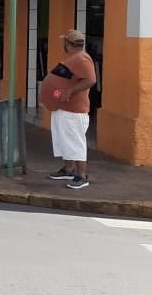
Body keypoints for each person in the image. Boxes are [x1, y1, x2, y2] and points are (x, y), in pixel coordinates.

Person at [38, 29, 97, 189]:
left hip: (74, 111)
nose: (63, 45)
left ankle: (81, 175)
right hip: (63, 108)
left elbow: (91, 80)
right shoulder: (74, 58)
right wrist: (56, 94)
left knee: (75, 142)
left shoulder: (82, 58)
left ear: (69, 44)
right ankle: (69, 169)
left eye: (65, 42)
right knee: (64, 140)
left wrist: (69, 92)